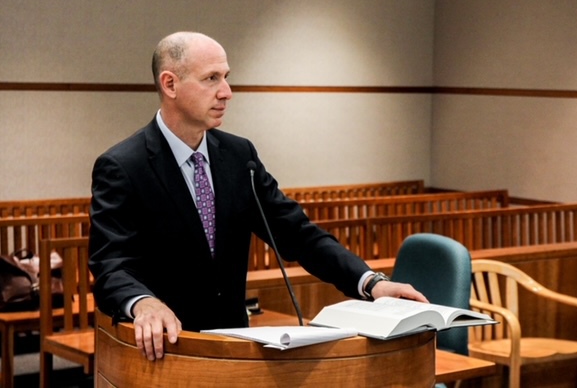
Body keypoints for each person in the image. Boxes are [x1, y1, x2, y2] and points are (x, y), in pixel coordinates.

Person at [88, 31, 428, 362]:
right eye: (211, 79)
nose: (226, 92)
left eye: (226, 77)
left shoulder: (239, 157)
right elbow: (110, 265)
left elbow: (297, 233)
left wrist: (370, 283)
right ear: (170, 84)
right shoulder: (123, 166)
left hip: (235, 348)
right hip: (166, 351)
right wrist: (143, 302)